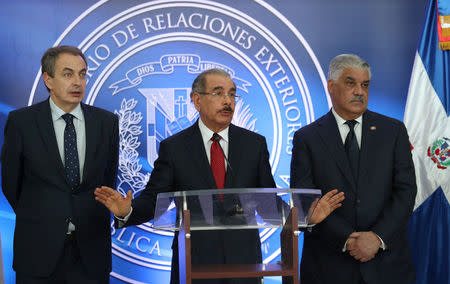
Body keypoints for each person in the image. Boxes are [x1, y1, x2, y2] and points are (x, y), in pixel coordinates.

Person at [95, 68, 343, 284]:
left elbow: (267, 203)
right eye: (218, 93)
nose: (228, 101)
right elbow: (153, 200)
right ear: (196, 100)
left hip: (244, 263)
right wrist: (127, 211)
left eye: (232, 94)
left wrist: (303, 218)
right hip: (193, 262)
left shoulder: (253, 144)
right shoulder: (174, 147)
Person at [290, 54, 417, 284]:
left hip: (386, 265)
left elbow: (405, 192)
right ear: (331, 86)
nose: (360, 91)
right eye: (351, 83)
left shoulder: (393, 131)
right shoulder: (306, 138)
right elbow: (305, 202)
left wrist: (377, 238)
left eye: (365, 85)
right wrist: (347, 239)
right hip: (328, 267)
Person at [1, 46, 119, 283]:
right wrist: (45, 213)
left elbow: (108, 180)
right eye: (68, 74)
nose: (78, 82)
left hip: (91, 253)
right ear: (48, 80)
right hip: (37, 251)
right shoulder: (21, 122)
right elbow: (11, 185)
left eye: (82, 74)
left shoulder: (106, 122)